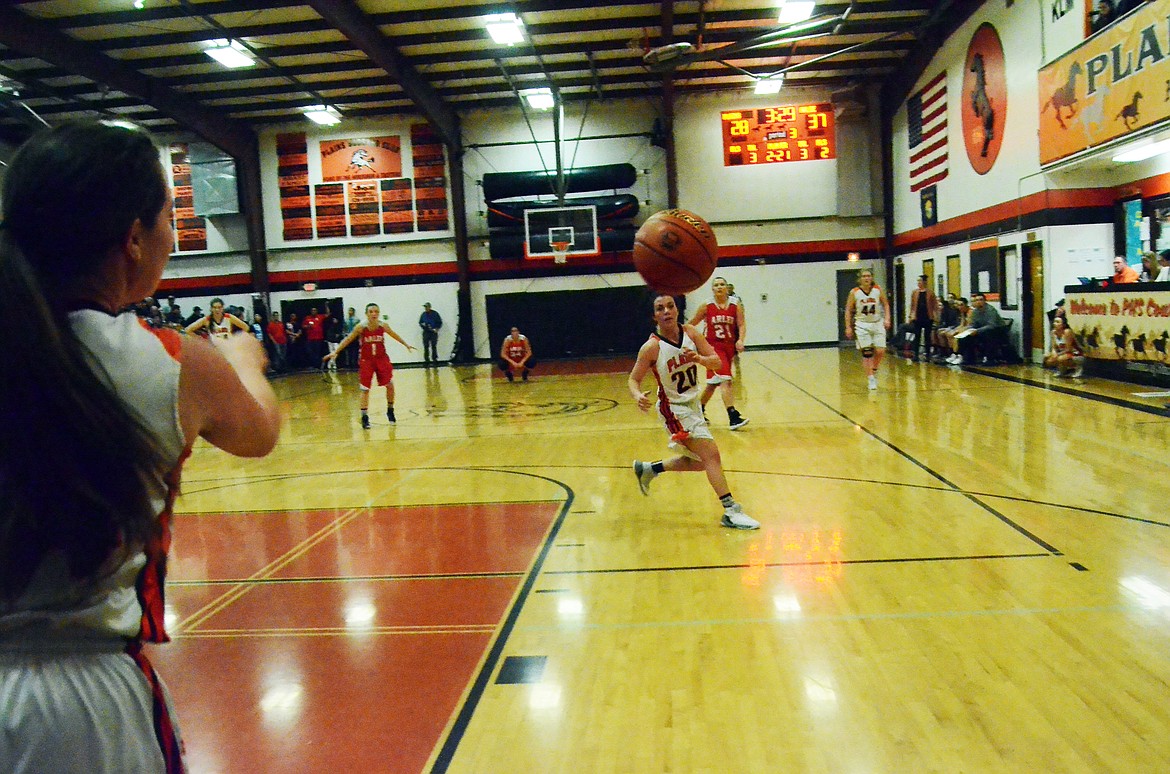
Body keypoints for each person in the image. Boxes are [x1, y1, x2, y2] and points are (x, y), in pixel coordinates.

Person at [0, 120, 280, 774]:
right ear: (133, 238)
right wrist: (246, 364)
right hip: (79, 710)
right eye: (169, 219)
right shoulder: (170, 363)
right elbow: (258, 432)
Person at [628, 294, 759, 530]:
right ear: (654, 316)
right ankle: (731, 510)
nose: (666, 311)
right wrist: (637, 395)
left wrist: (699, 358)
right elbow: (633, 379)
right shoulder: (651, 347)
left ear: (677, 310)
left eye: (670, 306)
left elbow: (717, 362)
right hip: (673, 410)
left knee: (701, 462)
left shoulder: (691, 333)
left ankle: (649, 469)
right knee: (712, 456)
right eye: (660, 308)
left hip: (693, 405)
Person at [323, 303, 415, 428]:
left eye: (376, 311)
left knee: (390, 385)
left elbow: (394, 334)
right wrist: (336, 351)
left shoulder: (383, 325)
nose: (374, 314)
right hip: (367, 361)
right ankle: (364, 416)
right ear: (367, 314)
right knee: (365, 389)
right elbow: (348, 339)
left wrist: (406, 344)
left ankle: (390, 410)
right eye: (371, 311)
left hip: (381, 359)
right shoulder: (361, 327)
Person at [687, 276, 749, 429]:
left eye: (722, 284)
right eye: (716, 285)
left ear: (727, 288)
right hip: (713, 349)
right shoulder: (706, 306)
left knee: (713, 384)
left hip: (729, 348)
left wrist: (740, 340)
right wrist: (679, 335)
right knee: (726, 380)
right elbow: (691, 323)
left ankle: (698, 411)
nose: (720, 287)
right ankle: (733, 416)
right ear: (712, 289)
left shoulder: (735, 305)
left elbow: (741, 324)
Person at [843, 267, 892, 390]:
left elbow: (885, 304)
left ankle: (873, 369)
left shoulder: (877, 289)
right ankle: (870, 378)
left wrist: (887, 319)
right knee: (867, 352)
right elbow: (848, 310)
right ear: (859, 279)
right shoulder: (854, 292)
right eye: (864, 276)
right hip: (862, 324)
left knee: (880, 351)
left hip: (877, 322)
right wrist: (848, 327)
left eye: (869, 276)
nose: (867, 278)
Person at [950, 292, 1005, 365]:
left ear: (985, 301)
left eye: (981, 300)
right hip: (982, 331)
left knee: (989, 335)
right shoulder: (975, 311)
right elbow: (973, 324)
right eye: (976, 300)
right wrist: (967, 330)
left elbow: (992, 325)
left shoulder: (991, 310)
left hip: (997, 331)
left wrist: (977, 331)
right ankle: (968, 358)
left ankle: (990, 359)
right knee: (965, 337)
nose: (978, 302)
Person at [907, 274, 941, 360]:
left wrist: (936, 316)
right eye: (918, 281)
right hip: (917, 317)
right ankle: (916, 354)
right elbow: (912, 305)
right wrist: (911, 316)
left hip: (927, 317)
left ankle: (928, 354)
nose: (918, 283)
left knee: (927, 336)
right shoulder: (915, 292)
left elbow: (934, 305)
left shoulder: (930, 292)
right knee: (917, 335)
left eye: (920, 281)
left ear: (924, 282)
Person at [184, 297, 249, 339]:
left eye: (219, 307)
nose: (217, 310)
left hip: (229, 347)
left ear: (222, 308)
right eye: (214, 307)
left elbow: (246, 327)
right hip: (215, 349)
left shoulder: (229, 317)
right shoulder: (206, 319)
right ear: (211, 309)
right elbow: (188, 330)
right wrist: (201, 339)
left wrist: (236, 338)